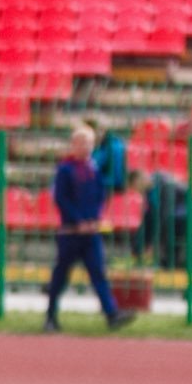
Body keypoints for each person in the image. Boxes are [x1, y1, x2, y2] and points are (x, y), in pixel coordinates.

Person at [43, 125, 133, 335]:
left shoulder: (93, 169)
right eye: (82, 143)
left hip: (90, 232)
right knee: (60, 276)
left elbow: (99, 197)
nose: (86, 147)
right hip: (70, 232)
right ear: (73, 144)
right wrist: (78, 221)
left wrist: (95, 219)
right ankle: (50, 316)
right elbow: (61, 199)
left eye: (89, 143)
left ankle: (111, 314)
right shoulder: (65, 170)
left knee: (98, 273)